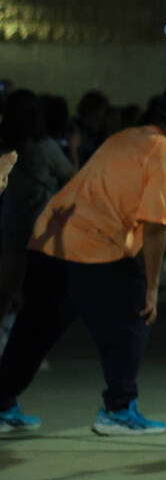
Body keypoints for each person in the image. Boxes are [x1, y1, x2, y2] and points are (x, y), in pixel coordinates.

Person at [0, 84, 166, 435]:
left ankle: (1, 402)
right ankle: (118, 408)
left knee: (35, 328)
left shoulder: (127, 137)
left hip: (50, 237)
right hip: (94, 245)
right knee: (134, 314)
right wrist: (153, 287)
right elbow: (156, 228)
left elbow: (123, 190)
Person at [0, 91, 75, 356]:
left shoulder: (5, 145)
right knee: (38, 291)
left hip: (11, 220)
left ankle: (4, 338)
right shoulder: (46, 147)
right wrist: (74, 148)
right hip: (41, 227)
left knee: (8, 286)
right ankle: (23, 350)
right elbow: (72, 177)